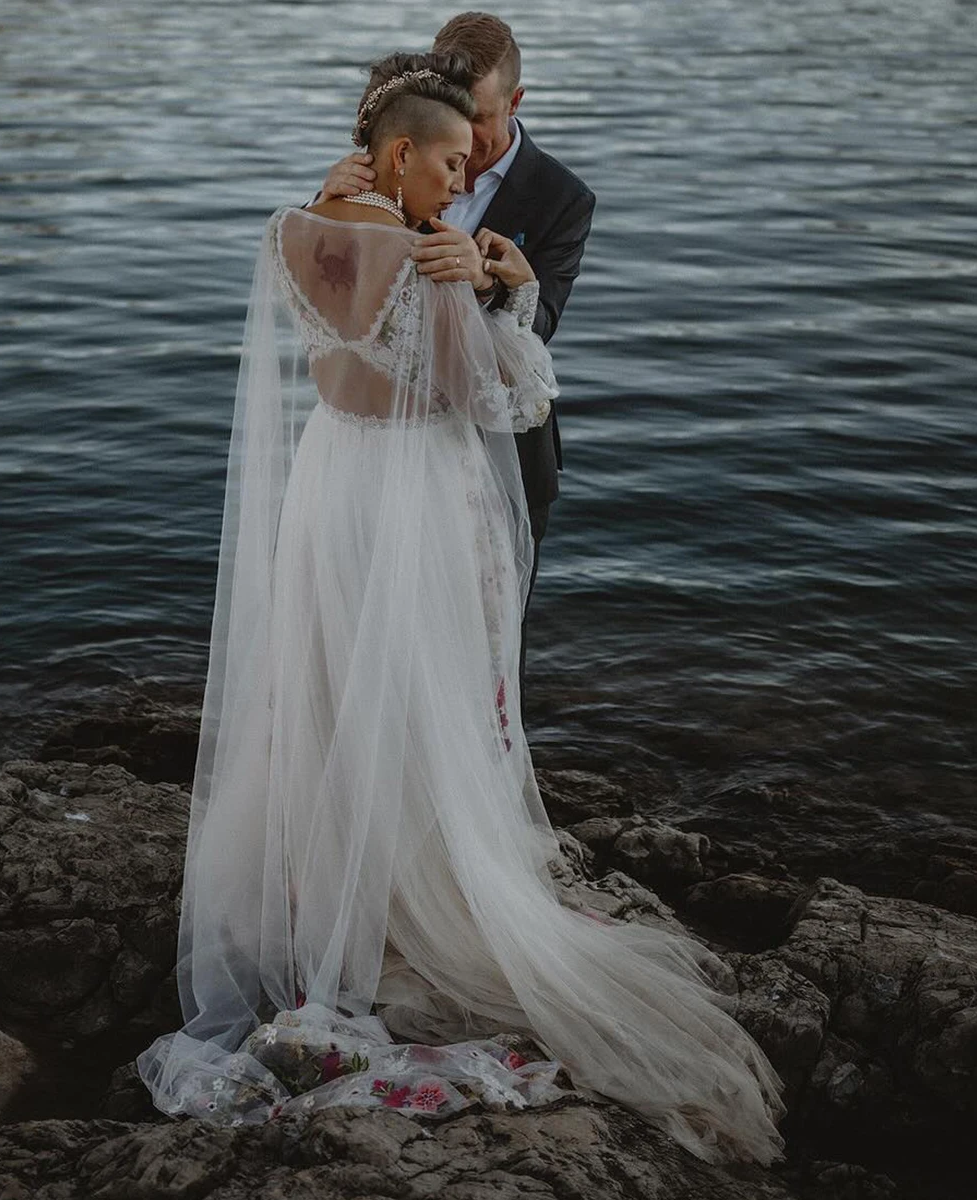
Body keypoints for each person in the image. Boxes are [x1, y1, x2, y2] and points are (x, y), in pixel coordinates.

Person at [136, 50, 785, 1167]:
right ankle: (413, 894)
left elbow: (338, 332)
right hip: (411, 496)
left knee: (331, 681)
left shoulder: (292, 228)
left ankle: (331, 880)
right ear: (400, 154)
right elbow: (495, 395)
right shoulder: (425, 259)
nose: (462, 180)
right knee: (422, 691)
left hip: (330, 481)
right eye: (446, 164)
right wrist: (508, 291)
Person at [318, 12, 596, 720]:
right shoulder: (387, 166)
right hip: (386, 452)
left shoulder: (562, 197)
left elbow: (543, 322)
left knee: (490, 642)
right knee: (376, 632)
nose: (463, 152)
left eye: (481, 121)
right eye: (453, 120)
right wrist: (325, 206)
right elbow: (325, 288)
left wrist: (489, 282)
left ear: (517, 101)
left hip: (505, 452)